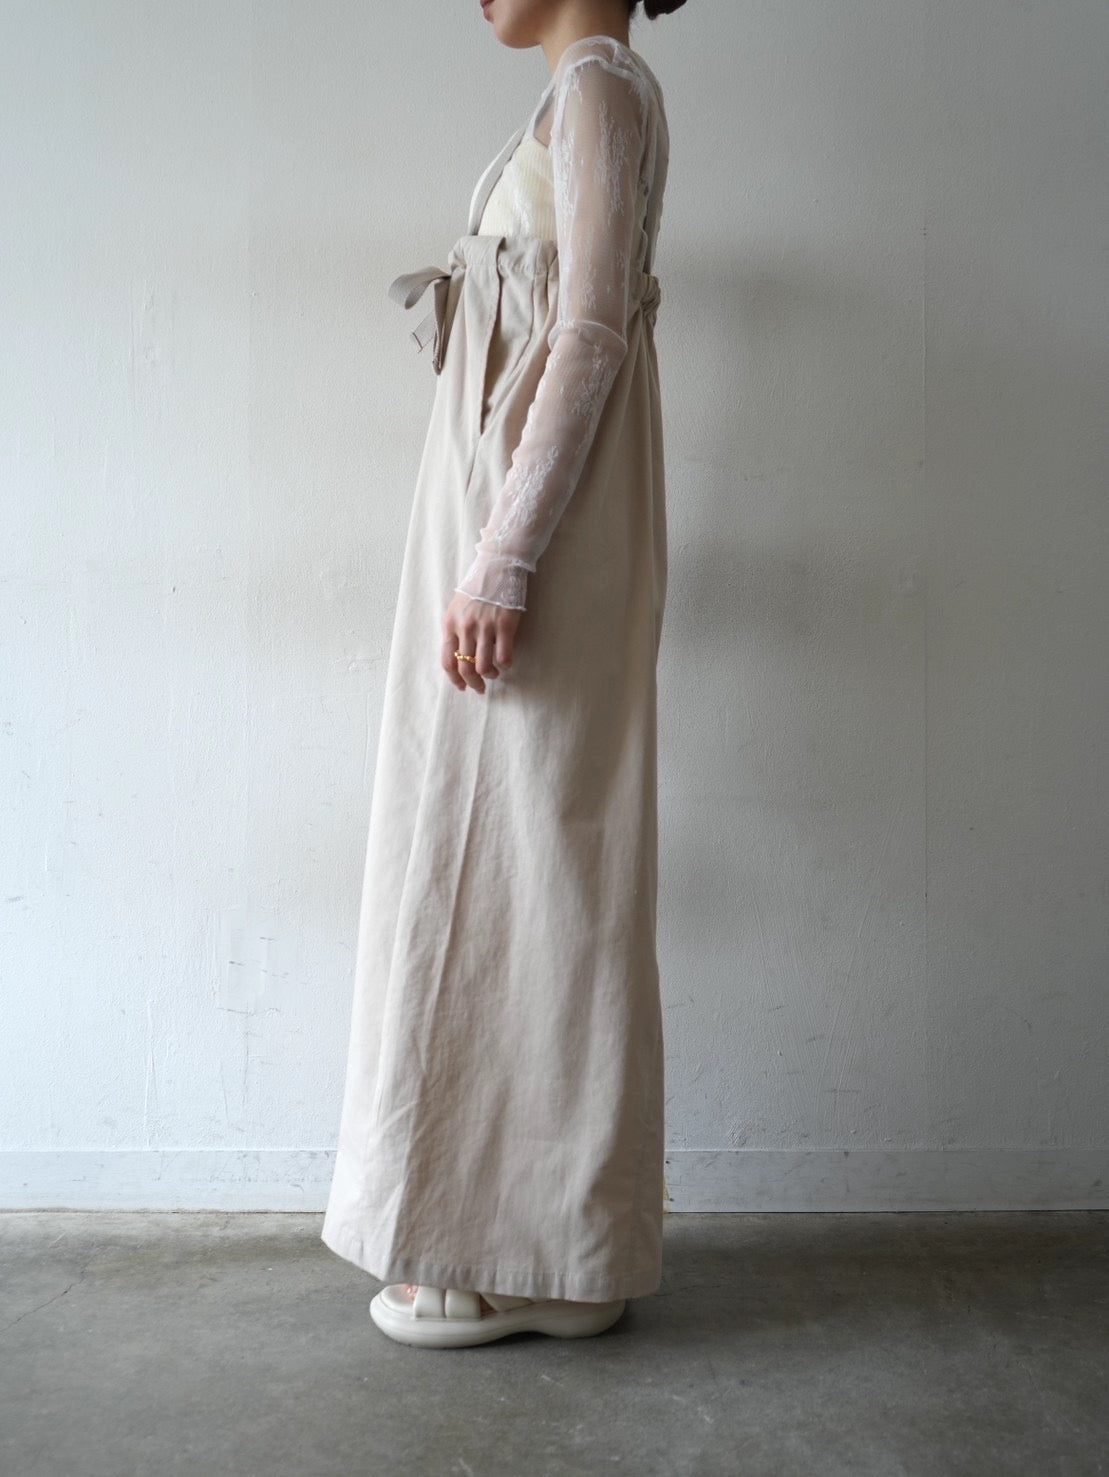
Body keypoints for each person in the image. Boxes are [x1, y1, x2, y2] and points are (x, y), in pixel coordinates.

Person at [321, 0, 685, 1350]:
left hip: (532, 524)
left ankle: (517, 1253)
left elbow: (587, 330)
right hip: (507, 512)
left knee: (521, 865)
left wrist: (505, 559)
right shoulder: (585, 91)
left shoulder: (598, 86)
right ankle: (545, 1249)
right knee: (521, 862)